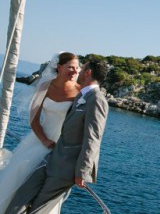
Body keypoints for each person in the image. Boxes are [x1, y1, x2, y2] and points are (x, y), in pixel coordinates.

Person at [5, 57, 109, 214]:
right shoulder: (81, 94)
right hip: (51, 157)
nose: (78, 70)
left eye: (82, 67)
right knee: (18, 202)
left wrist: (82, 171)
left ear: (88, 72)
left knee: (38, 210)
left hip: (66, 167)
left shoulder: (97, 99)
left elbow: (93, 138)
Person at [0, 52, 80, 214]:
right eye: (70, 67)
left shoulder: (80, 93)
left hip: (61, 146)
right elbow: (34, 120)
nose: (74, 71)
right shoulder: (45, 86)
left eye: (77, 68)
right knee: (18, 174)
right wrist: (44, 141)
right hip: (40, 140)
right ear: (59, 67)